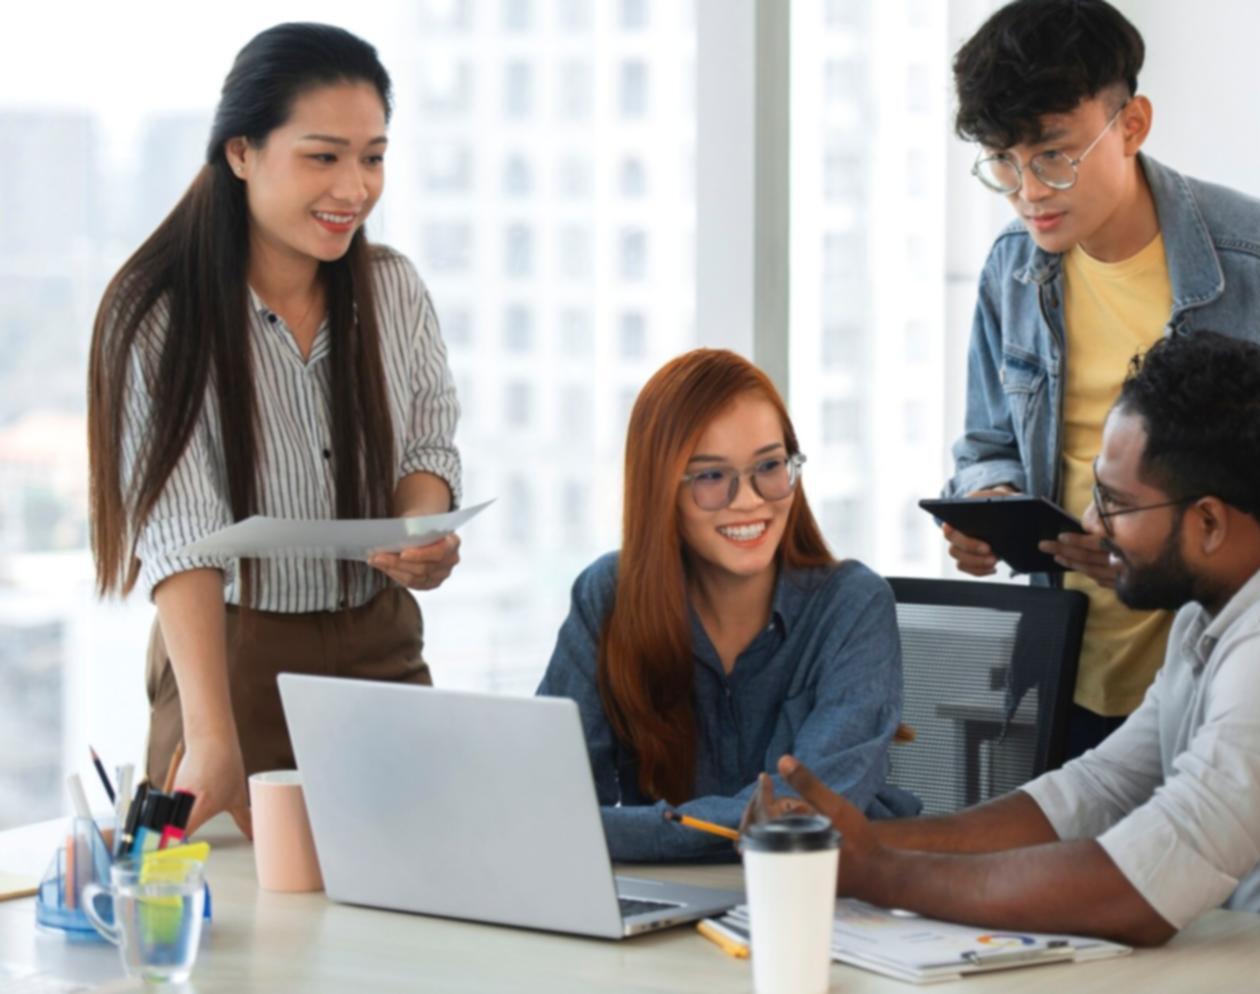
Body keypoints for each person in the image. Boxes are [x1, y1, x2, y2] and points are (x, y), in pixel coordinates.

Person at [778, 331, 1260, 948]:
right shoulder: (1221, 604)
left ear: (1209, 521)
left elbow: (1138, 892)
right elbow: (1095, 792)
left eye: (1117, 504)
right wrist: (865, 844)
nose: (1093, 526)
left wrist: (886, 875)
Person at [940, 0, 1260, 758]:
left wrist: (1179, 549)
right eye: (1003, 161)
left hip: (1237, 674)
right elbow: (988, 440)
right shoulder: (1012, 270)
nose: (1028, 191)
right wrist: (988, 502)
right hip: (1068, 672)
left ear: (1131, 124)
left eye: (1053, 154)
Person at [87, 23, 463, 837]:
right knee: (233, 939)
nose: (355, 188)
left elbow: (429, 447)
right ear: (242, 153)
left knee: (412, 920)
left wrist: (421, 527)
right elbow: (182, 534)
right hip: (227, 660)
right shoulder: (154, 313)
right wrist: (212, 735)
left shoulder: (395, 291)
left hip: (379, 646)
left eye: (373, 156)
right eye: (323, 156)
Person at [537, 349, 920, 862]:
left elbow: (798, 818)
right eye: (712, 477)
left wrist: (621, 832)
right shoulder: (607, 595)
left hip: (828, 900)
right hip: (671, 901)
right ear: (660, 490)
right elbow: (548, 800)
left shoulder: (854, 606)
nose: (749, 500)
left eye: (769, 466)